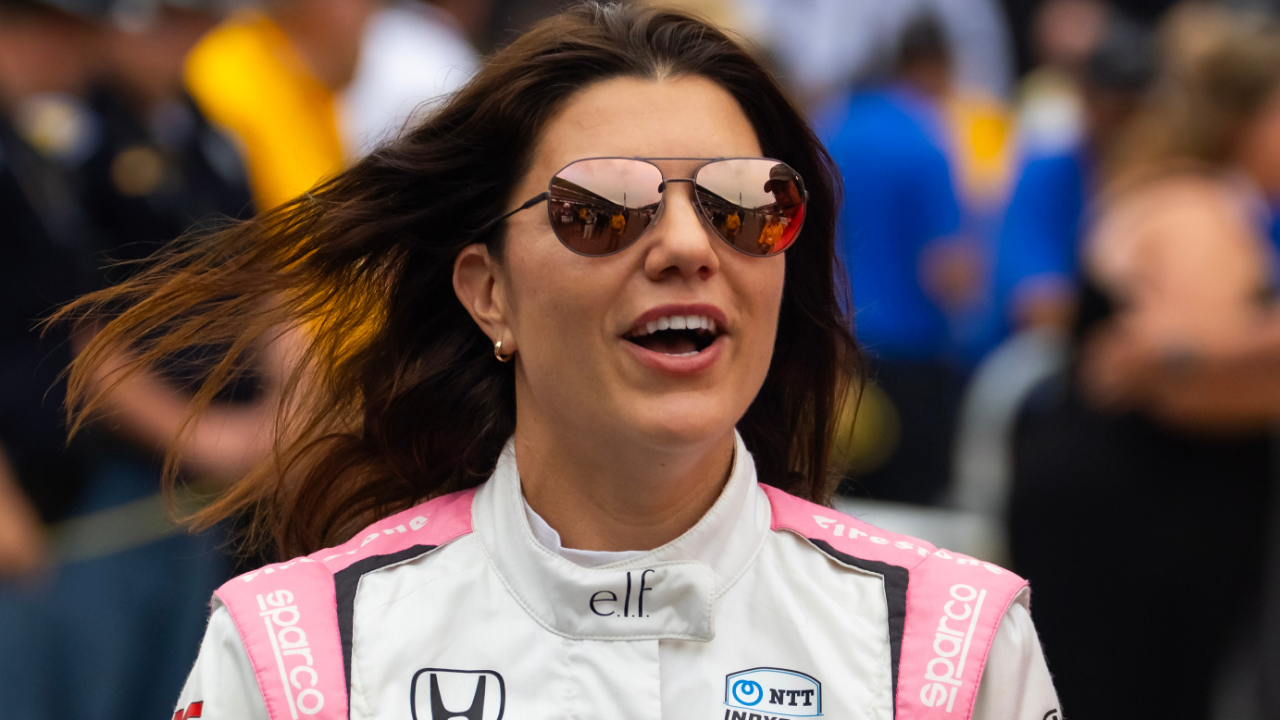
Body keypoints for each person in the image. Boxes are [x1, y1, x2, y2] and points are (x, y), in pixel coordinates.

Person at [59, 5, 1059, 719]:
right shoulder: (296, 648)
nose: (684, 245)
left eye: (748, 201)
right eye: (600, 209)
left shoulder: (951, 641)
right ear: (488, 291)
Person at [1010, 20, 1280, 720]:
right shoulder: (1199, 206)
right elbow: (1193, 364)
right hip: (1131, 515)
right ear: (1246, 116)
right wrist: (1189, 356)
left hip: (1158, 510)